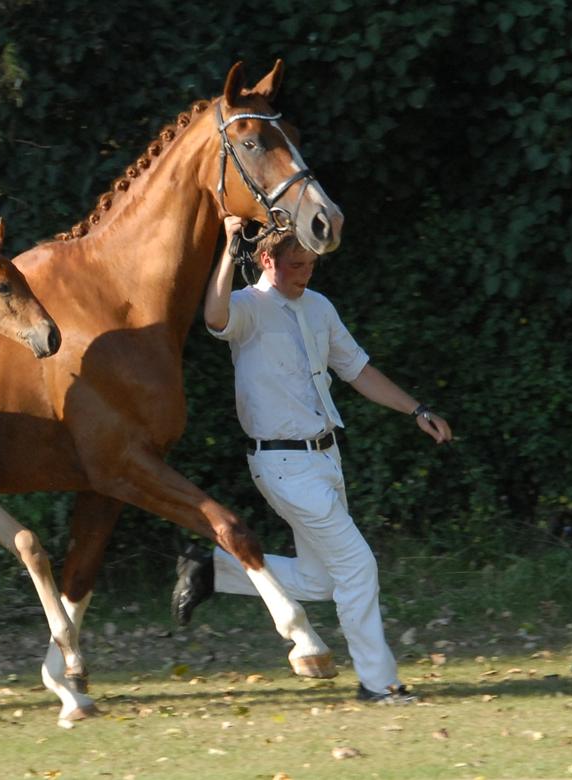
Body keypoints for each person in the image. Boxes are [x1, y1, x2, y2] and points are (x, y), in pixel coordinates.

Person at [172, 216, 453, 704]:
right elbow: (214, 318)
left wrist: (418, 409)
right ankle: (378, 684)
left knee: (323, 579)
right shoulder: (249, 307)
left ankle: (214, 570)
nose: (305, 273)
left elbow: (358, 370)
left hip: (325, 458)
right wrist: (227, 244)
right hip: (282, 466)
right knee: (358, 566)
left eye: (311, 265)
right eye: (296, 265)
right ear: (267, 260)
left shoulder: (319, 307)